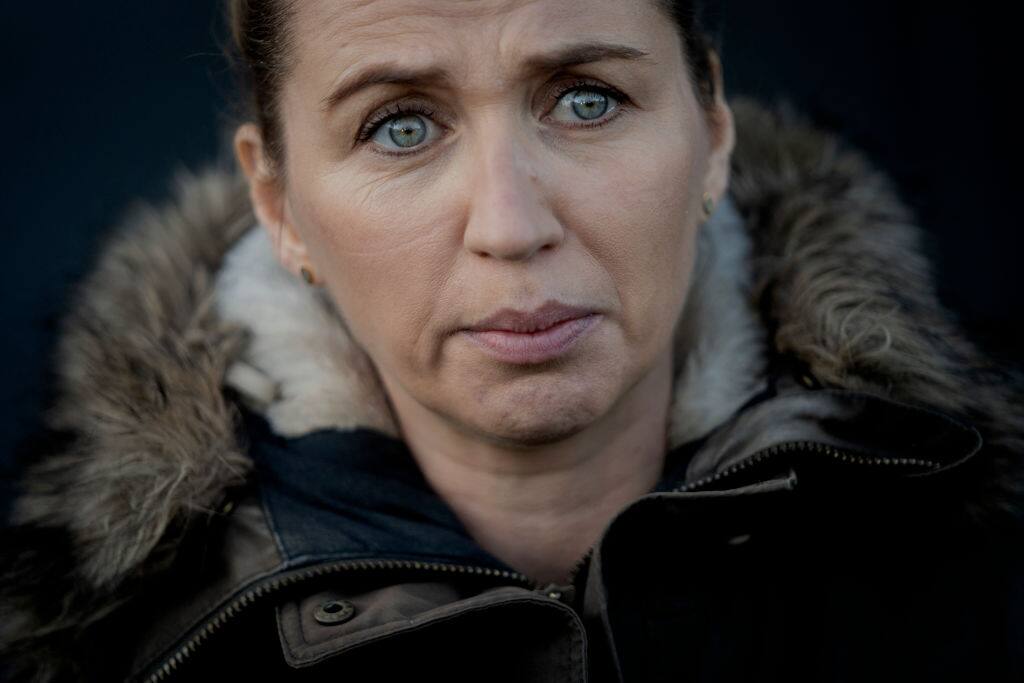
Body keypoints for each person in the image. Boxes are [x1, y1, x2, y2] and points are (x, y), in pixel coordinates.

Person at [3, 0, 1023, 681]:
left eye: (586, 99)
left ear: (711, 135)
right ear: (279, 207)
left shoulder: (980, 566)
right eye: (400, 125)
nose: (509, 224)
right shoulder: (129, 650)